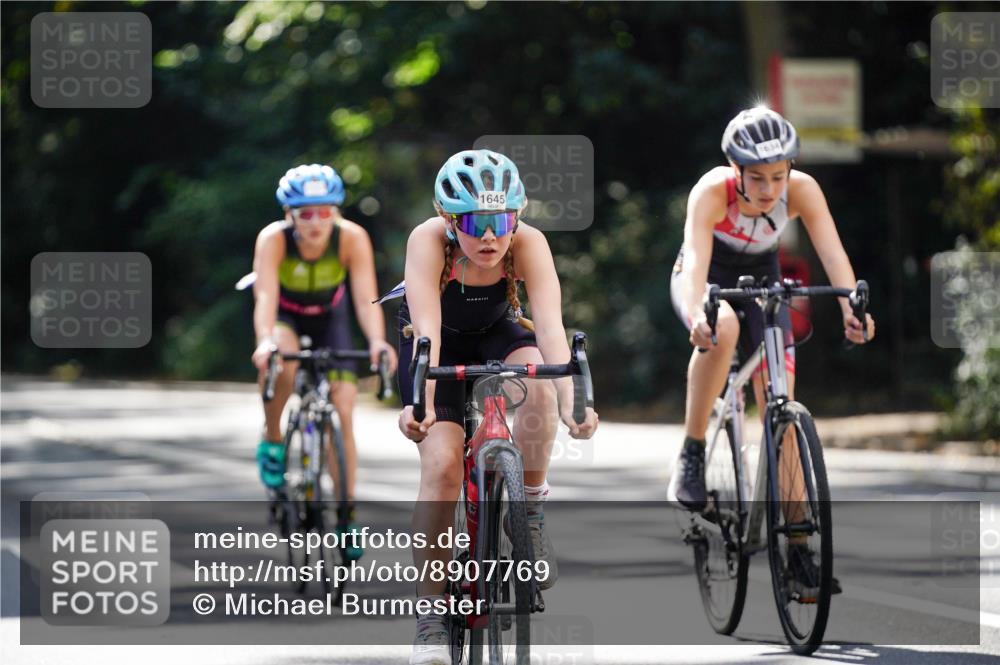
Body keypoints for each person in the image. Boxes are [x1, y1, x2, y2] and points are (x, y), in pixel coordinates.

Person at [392, 149, 599, 665]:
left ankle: (528, 511)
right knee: (442, 466)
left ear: (516, 217)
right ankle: (431, 616)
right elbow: (428, 334)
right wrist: (420, 403)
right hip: (435, 347)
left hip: (499, 333)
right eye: (474, 224)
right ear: (449, 221)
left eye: (501, 222)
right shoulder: (427, 241)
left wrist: (574, 404)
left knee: (540, 387)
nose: (489, 237)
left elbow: (549, 330)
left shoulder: (529, 243)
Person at [668, 107, 875, 600]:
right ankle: (692, 451)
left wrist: (853, 307)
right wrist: (698, 315)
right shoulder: (711, 192)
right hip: (705, 281)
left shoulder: (803, 190)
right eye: (757, 178)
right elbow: (694, 263)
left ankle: (799, 551)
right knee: (723, 326)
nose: (769, 189)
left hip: (765, 282)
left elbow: (833, 253)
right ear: (736, 170)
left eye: (778, 176)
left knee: (782, 414)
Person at [250, 163, 397, 560]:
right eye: (306, 213)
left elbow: (365, 297)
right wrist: (265, 341)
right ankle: (273, 437)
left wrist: (377, 341)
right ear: (289, 214)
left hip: (331, 320)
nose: (316, 222)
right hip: (287, 317)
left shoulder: (351, 237)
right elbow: (265, 296)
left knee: (344, 408)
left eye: (324, 212)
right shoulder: (274, 239)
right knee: (281, 361)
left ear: (336, 211)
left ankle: (347, 516)